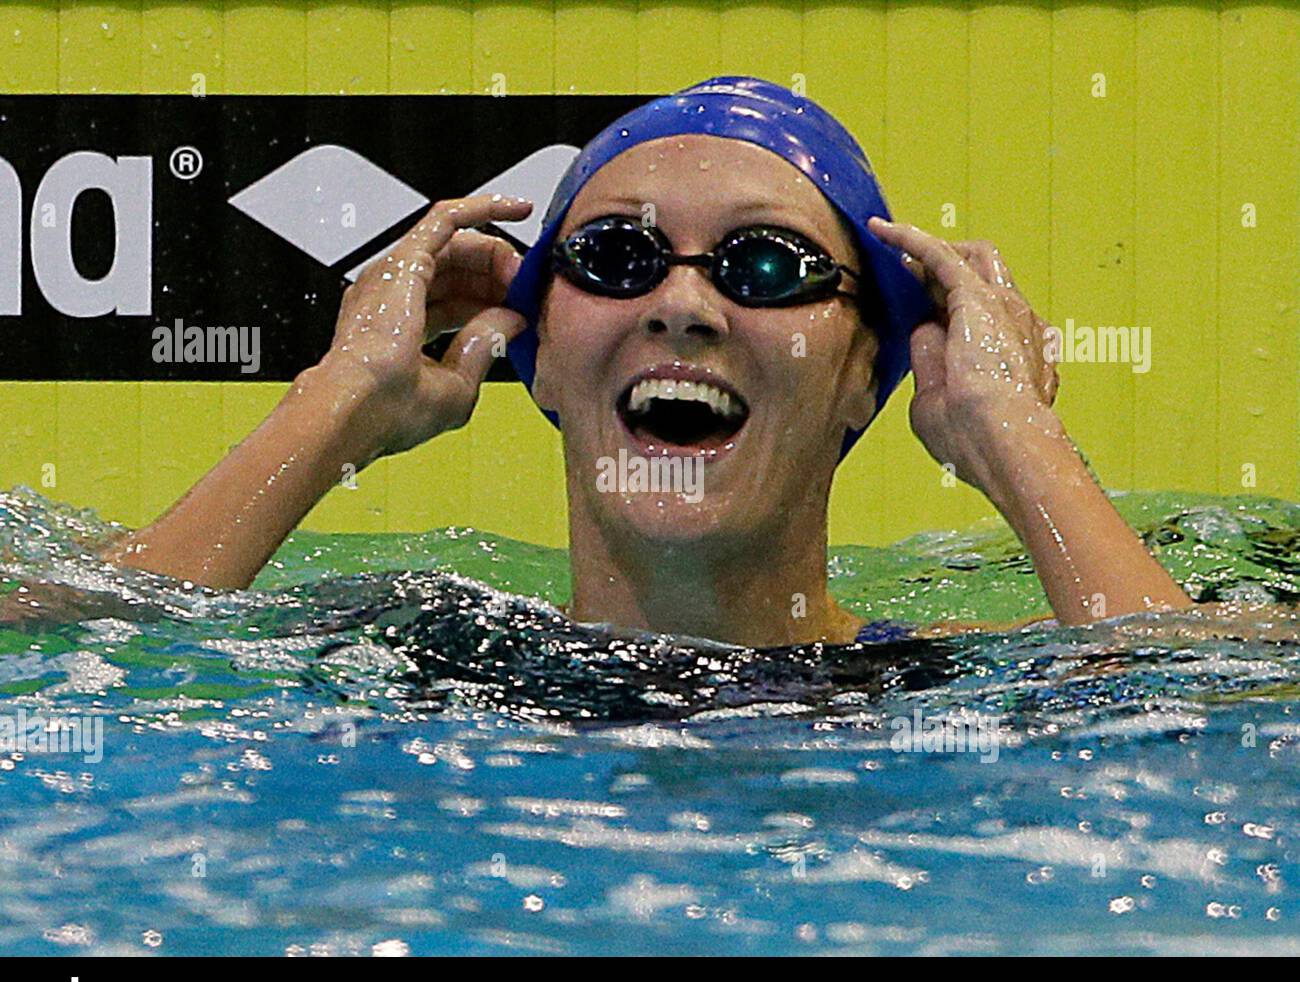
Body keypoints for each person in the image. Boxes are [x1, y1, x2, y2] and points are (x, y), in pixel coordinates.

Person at [81, 77, 1200, 647]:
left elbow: (1221, 732)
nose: (680, 303)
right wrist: (336, 404)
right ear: (540, 354)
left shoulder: (951, 692)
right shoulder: (419, 652)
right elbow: (72, 657)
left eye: (764, 266)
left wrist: (1021, 444)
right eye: (614, 256)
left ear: (866, 374)